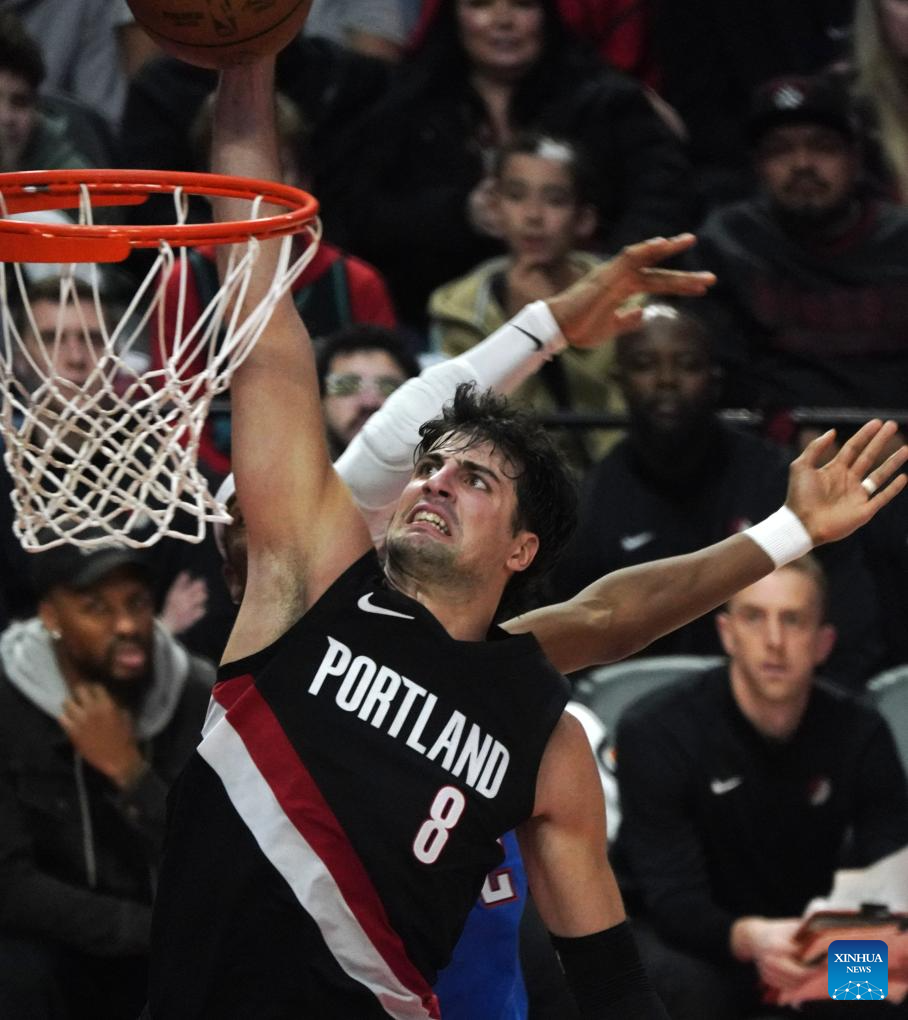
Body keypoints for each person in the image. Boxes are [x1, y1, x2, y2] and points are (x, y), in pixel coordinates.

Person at [144, 55, 908, 1020]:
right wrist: (248, 72)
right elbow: (262, 317)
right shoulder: (308, 589)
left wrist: (839, 969)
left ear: (522, 552)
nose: (433, 480)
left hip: (720, 972)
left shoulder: (554, 721)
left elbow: (616, 981)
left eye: (473, 479)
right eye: (430, 468)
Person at [612, 557, 908, 1019]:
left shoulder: (860, 733)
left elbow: (890, 877)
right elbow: (673, 902)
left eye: (793, 620)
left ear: (823, 642)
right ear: (727, 632)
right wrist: (753, 939)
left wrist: (834, 947)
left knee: (886, 987)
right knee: (691, 991)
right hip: (690, 940)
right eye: (754, 617)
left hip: (806, 941)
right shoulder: (657, 731)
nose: (774, 641)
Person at [553, 300, 886, 686]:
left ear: (715, 380)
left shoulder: (777, 480)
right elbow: (569, 650)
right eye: (645, 365)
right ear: (620, 380)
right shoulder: (592, 501)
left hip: (779, 702)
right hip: (638, 711)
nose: (666, 380)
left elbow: (849, 622)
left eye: (687, 365)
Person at [318, 0, 692, 331]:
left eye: (522, 4)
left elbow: (663, 201)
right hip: (436, 320)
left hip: (598, 313)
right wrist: (459, 214)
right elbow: (357, 216)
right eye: (481, 4)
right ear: (453, 14)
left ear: (546, 14)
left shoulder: (607, 102)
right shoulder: (406, 106)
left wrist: (599, 278)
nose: (503, 20)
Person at [0, 542, 213, 1020]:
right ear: (50, 616)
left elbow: (209, 859)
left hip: (164, 945)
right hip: (58, 944)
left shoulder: (197, 694)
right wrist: (144, 930)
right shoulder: (7, 699)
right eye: (96, 608)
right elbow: (10, 884)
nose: (127, 626)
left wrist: (131, 774)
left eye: (137, 603)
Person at [691, 72, 908, 420]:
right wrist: (786, 431)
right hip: (773, 443)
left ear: (855, 159)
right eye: (780, 150)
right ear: (758, 166)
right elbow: (722, 373)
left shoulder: (900, 240)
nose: (803, 164)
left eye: (822, 146)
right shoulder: (728, 245)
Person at [429, 132, 623, 468]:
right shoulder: (459, 311)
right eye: (516, 196)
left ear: (584, 219)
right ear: (494, 208)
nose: (533, 215)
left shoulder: (626, 301)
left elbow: (621, 434)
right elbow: (475, 437)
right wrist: (522, 334)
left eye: (555, 200)